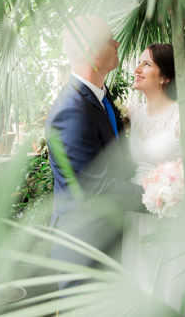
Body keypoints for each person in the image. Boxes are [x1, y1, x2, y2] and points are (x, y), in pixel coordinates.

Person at [45, 15, 142, 290]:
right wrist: (155, 196)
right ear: (91, 53)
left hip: (108, 238)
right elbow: (95, 187)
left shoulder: (99, 97)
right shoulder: (71, 112)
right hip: (84, 248)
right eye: (110, 41)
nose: (117, 43)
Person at [122, 43, 185, 313]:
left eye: (146, 64)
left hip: (172, 216)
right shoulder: (131, 114)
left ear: (165, 77)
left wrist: (181, 194)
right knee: (140, 285)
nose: (137, 69)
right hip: (136, 213)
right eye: (138, 63)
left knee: (168, 287)